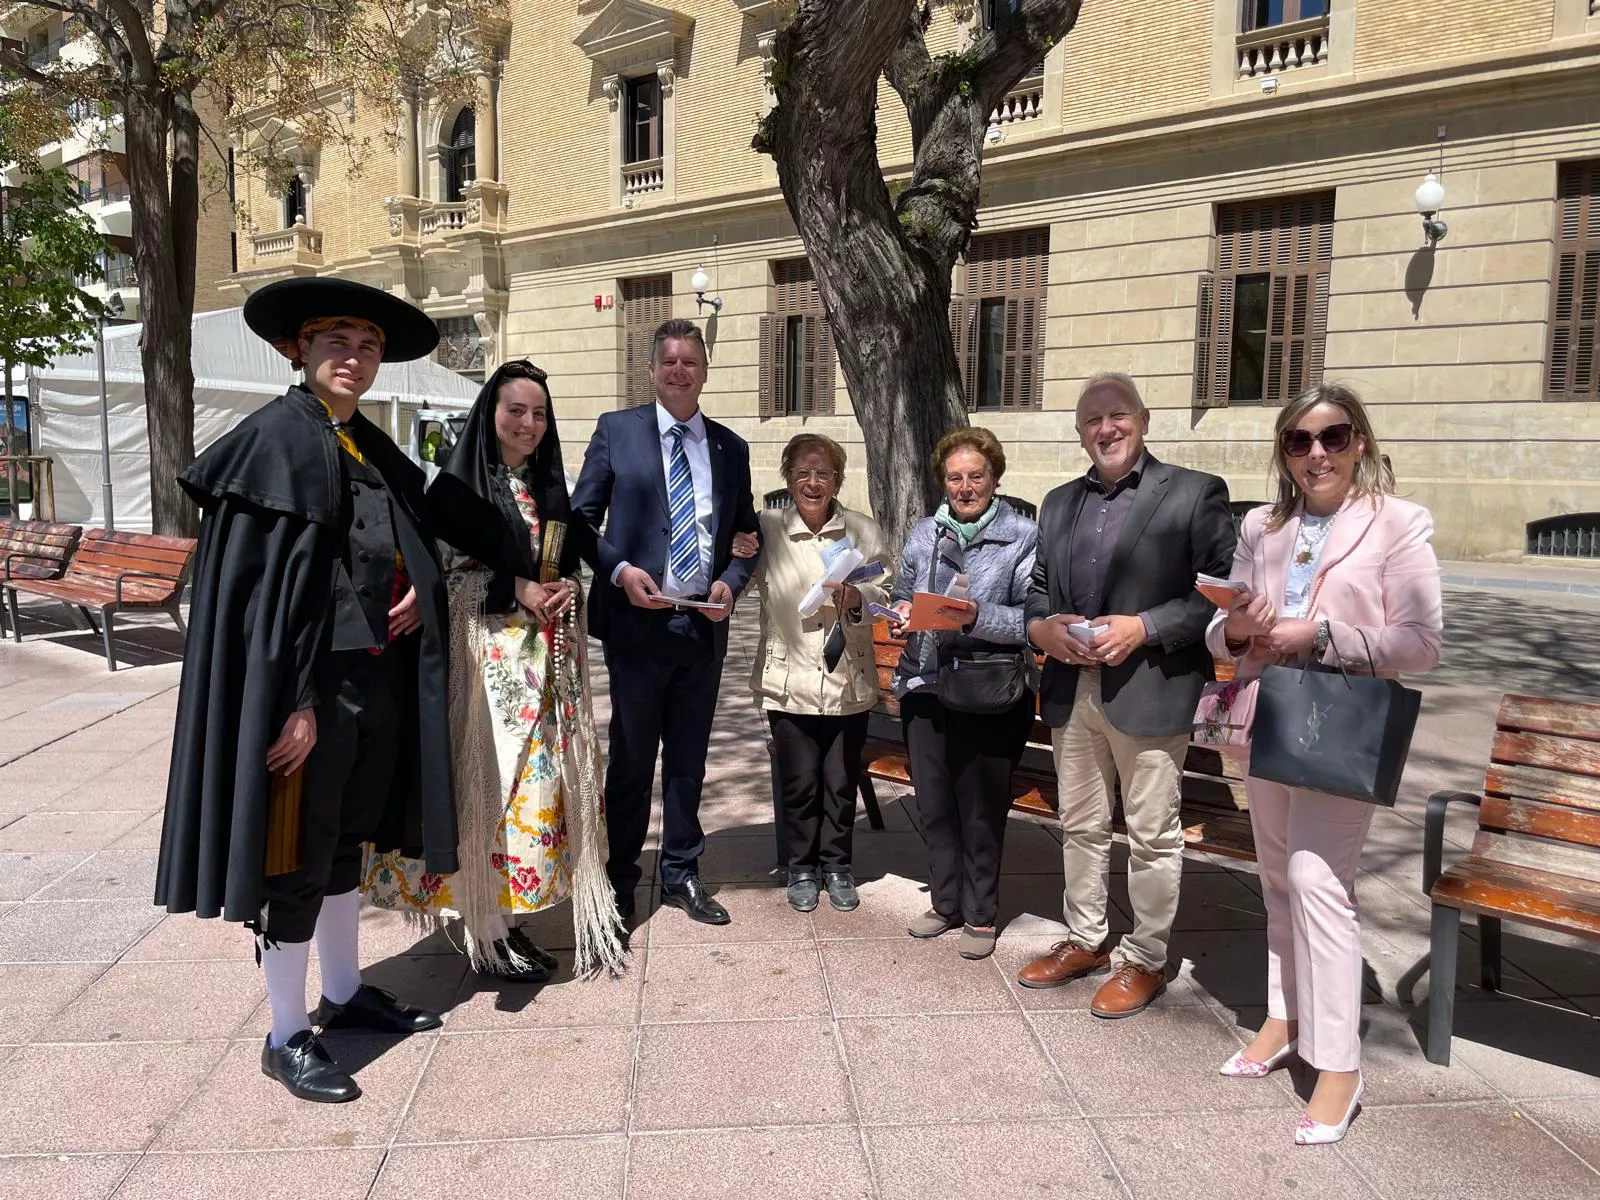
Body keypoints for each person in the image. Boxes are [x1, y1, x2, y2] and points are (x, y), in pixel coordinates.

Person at [156, 278, 458, 1104]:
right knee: (292, 857)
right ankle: (286, 1034)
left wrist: (416, 587)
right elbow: (265, 596)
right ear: (298, 348)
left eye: (367, 344)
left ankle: (344, 992)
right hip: (308, 697)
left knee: (343, 847)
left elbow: (415, 533)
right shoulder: (273, 441)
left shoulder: (365, 442)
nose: (354, 356)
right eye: (337, 340)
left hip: (370, 683)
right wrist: (290, 701)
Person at [1206, 382, 1441, 1145]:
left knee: (1317, 881)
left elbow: (1421, 644)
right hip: (1270, 717)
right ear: (1284, 452)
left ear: (1359, 442)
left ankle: (1340, 1064)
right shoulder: (1262, 526)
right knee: (1274, 874)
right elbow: (1220, 634)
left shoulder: (1397, 524)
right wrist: (1237, 628)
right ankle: (1284, 1017)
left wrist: (1325, 634)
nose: (1317, 454)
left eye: (1333, 437)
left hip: (1343, 723)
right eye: (1300, 441)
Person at [362, 361, 626, 981]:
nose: (528, 424)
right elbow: (441, 582)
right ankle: (484, 925)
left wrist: (565, 592)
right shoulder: (454, 494)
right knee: (491, 793)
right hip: (486, 669)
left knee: (532, 797)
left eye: (539, 414)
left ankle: (506, 917)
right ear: (490, 413)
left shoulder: (547, 489)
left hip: (546, 667)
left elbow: (562, 566)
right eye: (516, 410)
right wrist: (517, 588)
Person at [1017, 372, 1234, 1018]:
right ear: (1080, 432)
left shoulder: (1195, 494)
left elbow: (1219, 593)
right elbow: (1036, 590)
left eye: (1118, 416)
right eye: (1092, 420)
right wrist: (1042, 630)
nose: (1106, 429)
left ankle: (1144, 958)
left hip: (1150, 687)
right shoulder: (1056, 503)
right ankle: (1084, 938)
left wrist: (1144, 628)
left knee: (1150, 833)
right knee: (1079, 825)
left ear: (1143, 419)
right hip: (1070, 688)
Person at [572, 318, 761, 926]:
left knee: (688, 759)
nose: (680, 370)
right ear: (652, 371)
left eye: (691, 361)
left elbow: (745, 536)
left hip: (700, 628)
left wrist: (731, 587)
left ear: (705, 371)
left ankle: (681, 871)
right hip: (636, 627)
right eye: (669, 361)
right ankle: (620, 879)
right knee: (630, 760)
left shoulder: (732, 447)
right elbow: (579, 520)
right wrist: (621, 571)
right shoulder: (616, 431)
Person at [888, 428, 1037, 961]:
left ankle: (980, 911)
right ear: (943, 481)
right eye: (956, 477)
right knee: (933, 803)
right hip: (925, 682)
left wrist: (976, 617)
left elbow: (1031, 620)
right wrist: (903, 612)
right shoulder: (925, 532)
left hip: (988, 688)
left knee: (980, 806)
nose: (966, 486)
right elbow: (903, 593)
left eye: (977, 475)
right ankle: (945, 900)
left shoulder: (1022, 535)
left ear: (995, 477)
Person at [748, 434, 890, 913]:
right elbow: (736, 574)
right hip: (789, 679)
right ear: (788, 477)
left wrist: (860, 599)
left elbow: (887, 595)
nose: (813, 482)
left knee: (840, 778)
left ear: (837, 480)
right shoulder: (767, 528)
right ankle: (802, 866)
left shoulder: (862, 531)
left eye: (824, 473)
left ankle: (838, 866)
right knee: (799, 780)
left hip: (848, 677)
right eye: (803, 472)